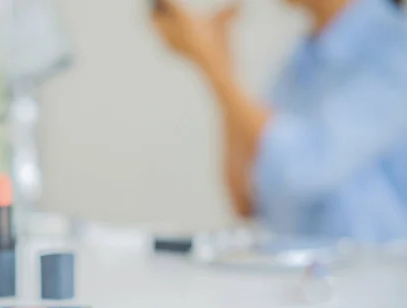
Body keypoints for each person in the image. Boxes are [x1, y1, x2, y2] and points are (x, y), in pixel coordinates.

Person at [152, 0, 407, 242]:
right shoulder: (301, 59)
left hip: (372, 281)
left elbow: (305, 165)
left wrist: (214, 66)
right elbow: (244, 197)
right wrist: (221, 63)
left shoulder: (395, 52)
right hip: (303, 280)